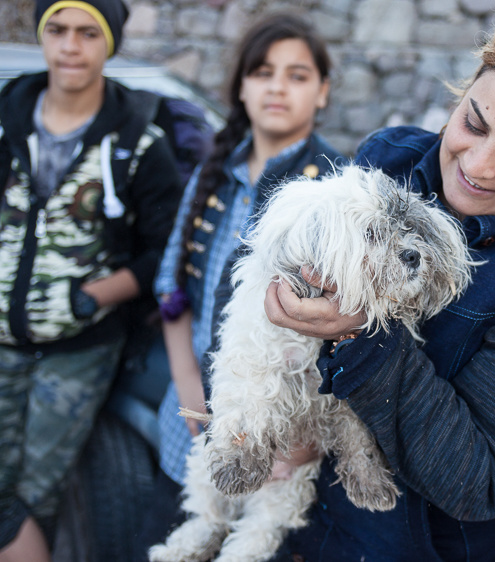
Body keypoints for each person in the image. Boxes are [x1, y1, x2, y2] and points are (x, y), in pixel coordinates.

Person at [239, 17, 495, 561]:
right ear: (462, 94)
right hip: (331, 529)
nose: (477, 165)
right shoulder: (388, 161)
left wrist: (360, 336)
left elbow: (482, 481)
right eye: (473, 122)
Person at [138, 12, 347, 552]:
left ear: (323, 91)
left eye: (297, 75)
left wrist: (307, 438)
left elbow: (350, 326)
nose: (277, 87)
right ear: (241, 87)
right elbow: (172, 292)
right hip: (190, 424)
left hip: (283, 435)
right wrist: (190, 388)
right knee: (174, 536)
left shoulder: (334, 191)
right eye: (262, 72)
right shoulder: (214, 174)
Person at [0, 1, 183, 560]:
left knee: (34, 496)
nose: (70, 47)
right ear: (41, 36)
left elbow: (166, 251)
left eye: (87, 33)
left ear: (110, 43)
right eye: (57, 30)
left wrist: (90, 298)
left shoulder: (139, 143)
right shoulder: (5, 120)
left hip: (80, 352)